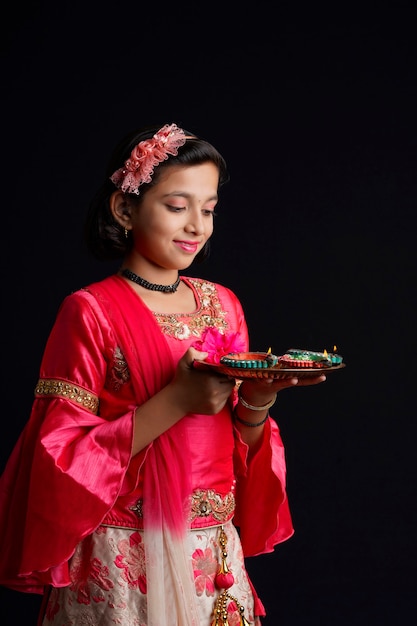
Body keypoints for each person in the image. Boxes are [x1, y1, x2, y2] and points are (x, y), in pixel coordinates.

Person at [0, 122, 326, 626]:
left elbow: (235, 443)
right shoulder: (90, 311)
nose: (197, 225)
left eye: (209, 209)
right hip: (124, 550)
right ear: (125, 209)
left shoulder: (223, 304)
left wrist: (258, 400)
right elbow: (58, 458)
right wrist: (176, 400)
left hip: (211, 549)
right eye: (177, 207)